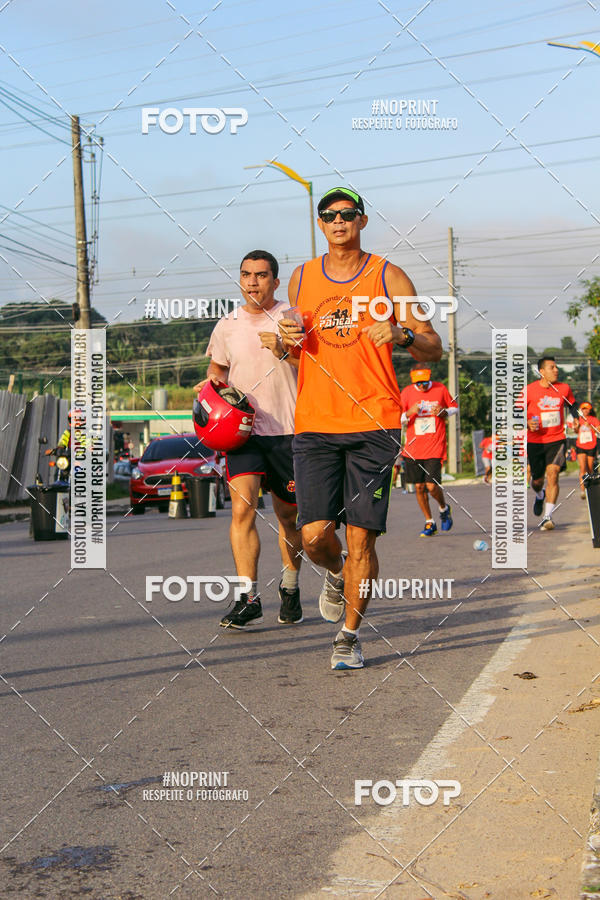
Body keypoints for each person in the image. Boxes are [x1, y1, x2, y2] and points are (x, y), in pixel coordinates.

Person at [279, 186, 442, 669]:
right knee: (312, 537)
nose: (337, 221)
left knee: (360, 541)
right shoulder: (302, 279)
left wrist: (403, 332)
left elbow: (433, 347)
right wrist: (281, 342)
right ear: (320, 223)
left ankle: (348, 637)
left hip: (374, 422)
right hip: (315, 423)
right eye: (328, 215)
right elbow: (295, 352)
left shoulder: (389, 276)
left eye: (347, 214)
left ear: (362, 221)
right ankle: (335, 574)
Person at [193, 250, 303, 628]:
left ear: (275, 281)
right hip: (243, 433)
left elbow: (314, 366)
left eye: (261, 275)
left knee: (289, 518)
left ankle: (289, 586)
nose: (253, 282)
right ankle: (247, 597)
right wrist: (211, 387)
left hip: (288, 431)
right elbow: (218, 370)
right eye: (246, 275)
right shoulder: (227, 325)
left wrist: (284, 350)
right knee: (242, 510)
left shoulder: (293, 317)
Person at [400, 365, 458, 536]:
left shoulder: (440, 388)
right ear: (413, 381)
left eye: (425, 382)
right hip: (413, 448)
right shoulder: (407, 393)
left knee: (431, 487)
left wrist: (444, 411)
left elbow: (455, 407)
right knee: (418, 487)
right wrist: (409, 412)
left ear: (429, 378)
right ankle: (429, 522)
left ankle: (443, 508)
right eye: (419, 383)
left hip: (434, 446)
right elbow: (397, 417)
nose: (423, 386)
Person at [526, 356, 577, 530]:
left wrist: (576, 419)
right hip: (535, 441)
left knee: (553, 473)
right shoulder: (529, 390)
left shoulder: (564, 388)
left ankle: (547, 517)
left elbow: (573, 405)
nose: (556, 370)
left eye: (556, 367)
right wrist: (526, 423)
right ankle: (539, 495)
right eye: (551, 367)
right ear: (542, 372)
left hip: (557, 439)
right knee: (537, 481)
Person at [574, 401, 600, 498]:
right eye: (583, 408)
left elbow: (598, 429)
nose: (585, 410)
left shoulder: (594, 419)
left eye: (587, 408)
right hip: (581, 446)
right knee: (583, 468)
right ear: (581, 410)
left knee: (589, 469)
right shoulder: (579, 419)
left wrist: (591, 426)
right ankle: (582, 491)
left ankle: (590, 489)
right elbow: (576, 431)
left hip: (591, 446)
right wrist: (576, 427)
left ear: (590, 410)